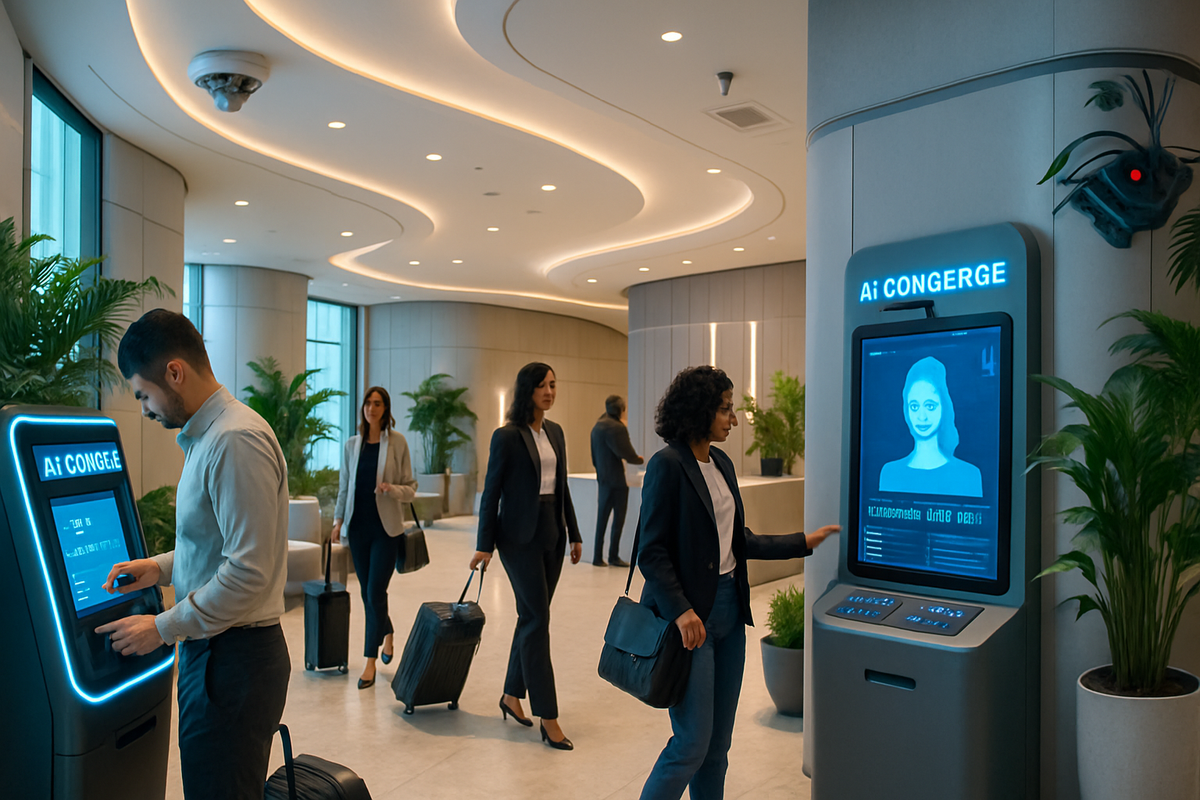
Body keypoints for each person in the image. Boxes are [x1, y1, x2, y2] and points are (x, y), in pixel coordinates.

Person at [97, 309, 291, 800]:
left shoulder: (234, 440)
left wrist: (160, 629)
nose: (144, 408)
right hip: (219, 653)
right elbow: (217, 544)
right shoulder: (211, 437)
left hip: (234, 660)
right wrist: (159, 569)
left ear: (174, 372)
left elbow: (247, 572)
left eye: (143, 393)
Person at [636, 365, 839, 800]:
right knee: (691, 743)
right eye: (726, 409)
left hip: (730, 614)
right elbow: (651, 551)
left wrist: (802, 542)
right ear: (701, 410)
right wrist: (681, 611)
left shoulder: (722, 463)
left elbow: (738, 541)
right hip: (691, 621)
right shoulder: (667, 466)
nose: (733, 419)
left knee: (717, 749)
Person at [469, 362, 583, 751]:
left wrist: (575, 533)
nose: (549, 391)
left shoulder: (556, 432)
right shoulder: (507, 437)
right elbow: (491, 493)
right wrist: (484, 544)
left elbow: (562, 485)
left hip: (553, 533)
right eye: (542, 386)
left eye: (553, 384)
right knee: (537, 618)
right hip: (517, 539)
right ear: (527, 391)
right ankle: (548, 715)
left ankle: (511, 694)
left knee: (530, 617)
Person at [332, 386, 419, 689]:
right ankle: (389, 632)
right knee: (370, 594)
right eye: (368, 403)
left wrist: (390, 489)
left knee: (374, 592)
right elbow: (345, 487)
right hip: (357, 529)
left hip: (386, 530)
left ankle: (369, 661)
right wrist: (337, 520)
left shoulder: (397, 443)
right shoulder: (351, 445)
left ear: (386, 408)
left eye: (378, 403)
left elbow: (411, 487)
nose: (372, 408)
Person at [878, 356, 983, 497]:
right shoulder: (890, 473)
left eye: (930, 406)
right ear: (906, 410)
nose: (922, 416)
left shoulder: (969, 475)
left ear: (944, 406)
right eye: (914, 406)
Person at [590, 394, 644, 567]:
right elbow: (626, 453)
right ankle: (613, 556)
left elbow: (593, 457)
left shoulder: (597, 426)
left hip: (603, 479)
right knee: (618, 520)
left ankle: (597, 556)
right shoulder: (617, 427)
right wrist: (639, 459)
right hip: (617, 482)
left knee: (602, 519)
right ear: (621, 409)